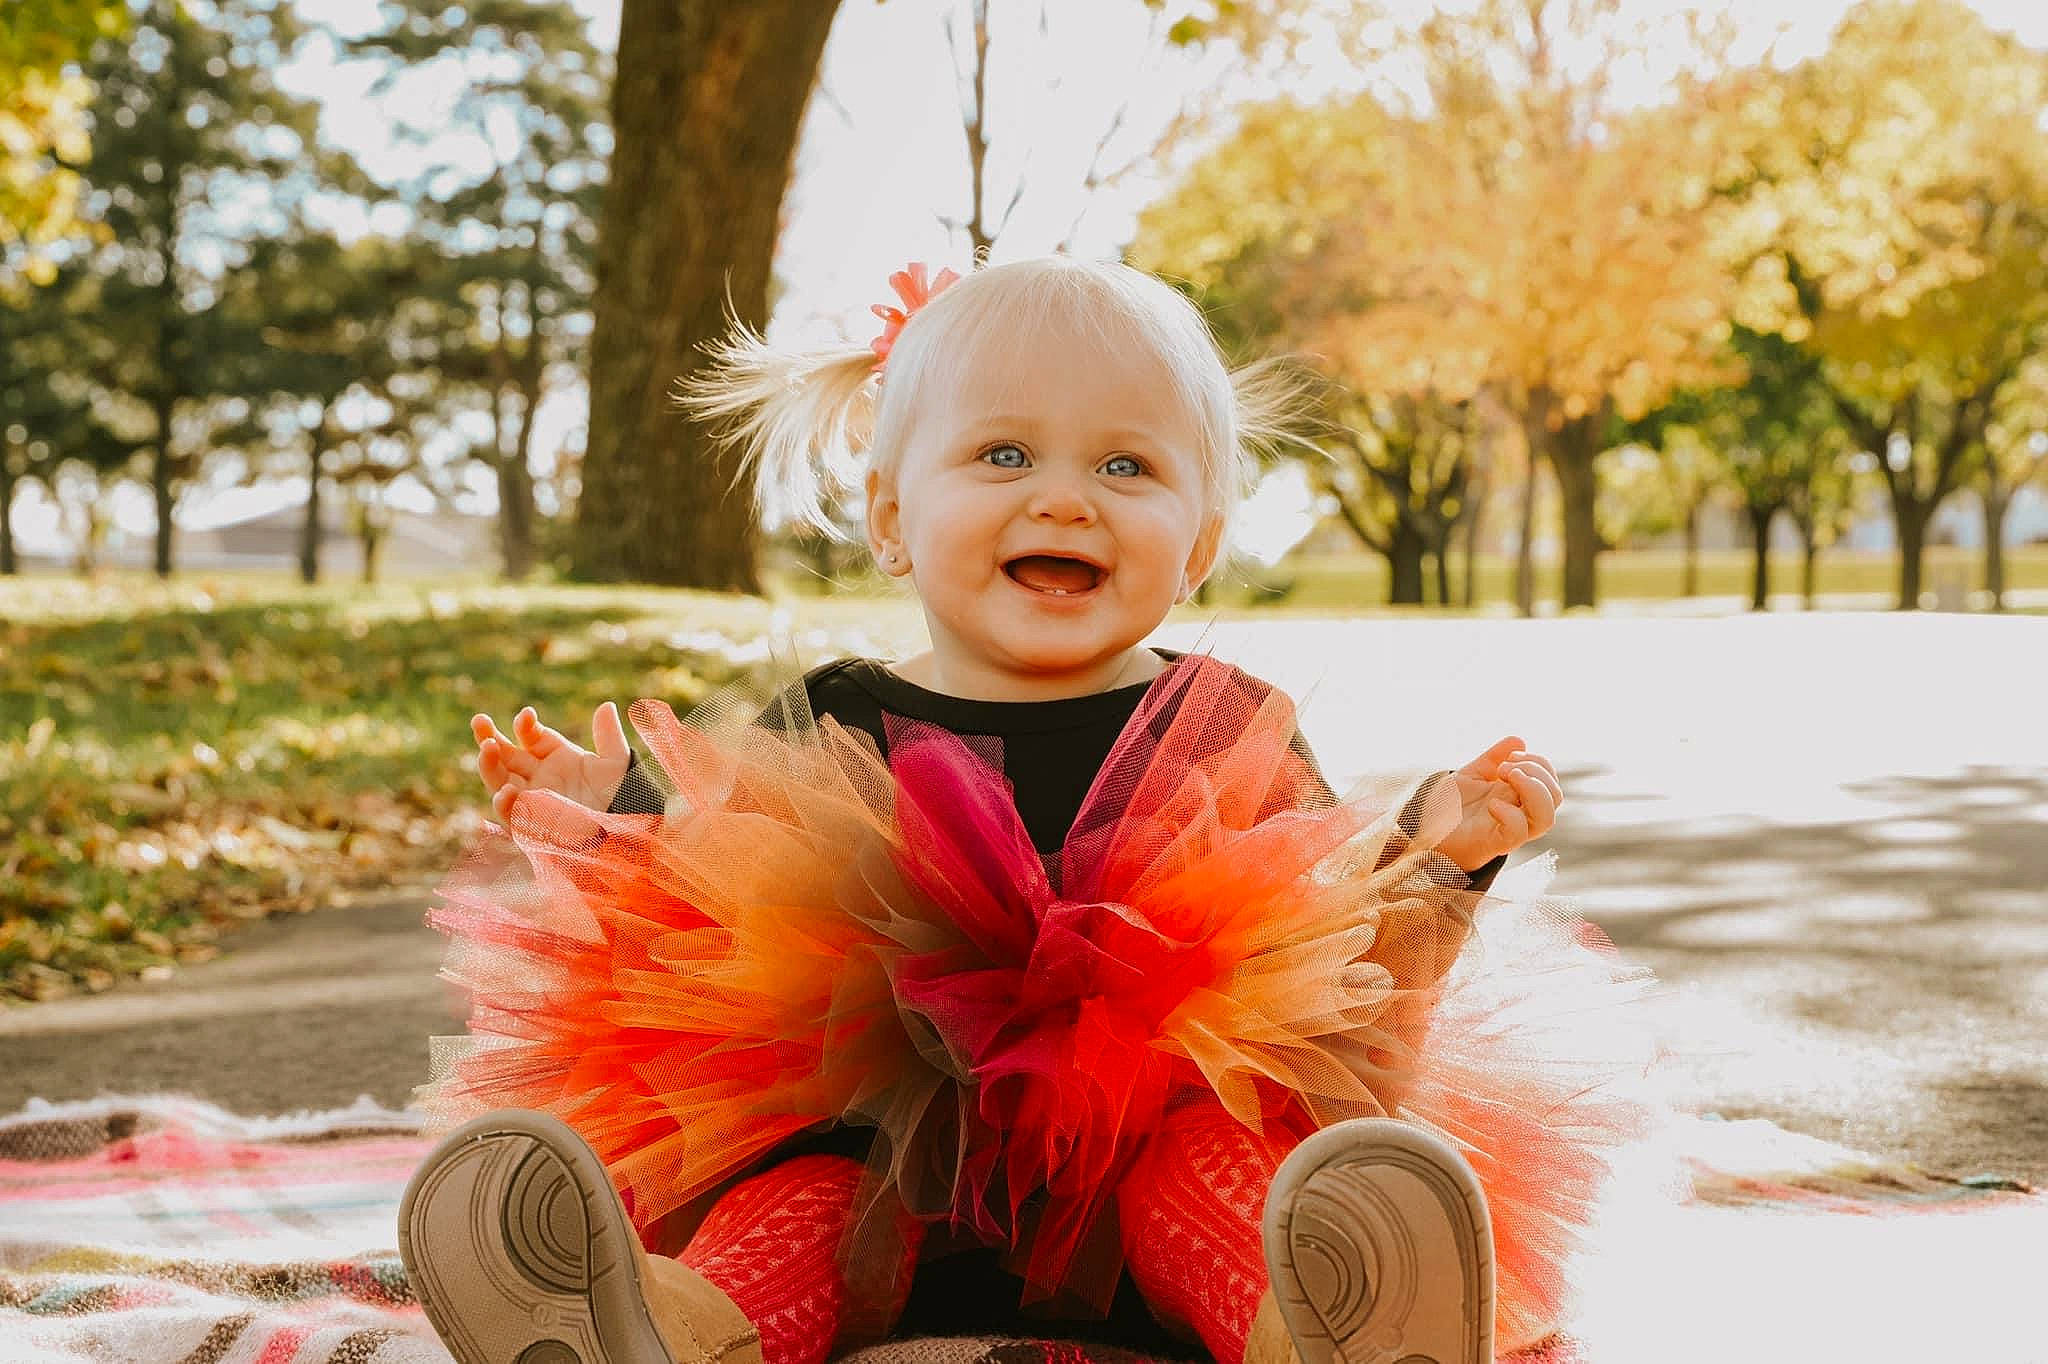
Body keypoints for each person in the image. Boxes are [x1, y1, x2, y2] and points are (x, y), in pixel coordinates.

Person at [397, 256, 1661, 1364]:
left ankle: (1335, 1325)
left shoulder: (1227, 727)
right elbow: (706, 926)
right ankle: (660, 1334)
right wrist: (610, 823)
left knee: (1227, 1185)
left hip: (1135, 1202)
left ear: (1200, 542)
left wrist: (1435, 847)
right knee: (791, 1213)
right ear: (892, 517)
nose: (1065, 497)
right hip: (863, 1165)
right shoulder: (835, 719)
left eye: (1126, 464)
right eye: (1003, 454)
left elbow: (1339, 980)